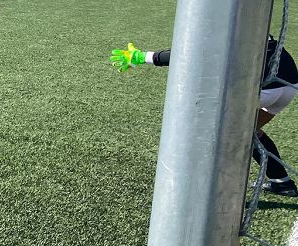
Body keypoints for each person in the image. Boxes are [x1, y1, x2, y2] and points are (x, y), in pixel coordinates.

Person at [111, 36, 298, 195]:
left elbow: (189, 55)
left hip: (261, 89)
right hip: (289, 85)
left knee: (209, 132)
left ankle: (209, 194)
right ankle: (282, 183)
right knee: (250, 132)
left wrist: (141, 56)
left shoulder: (226, 27)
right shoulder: (253, 21)